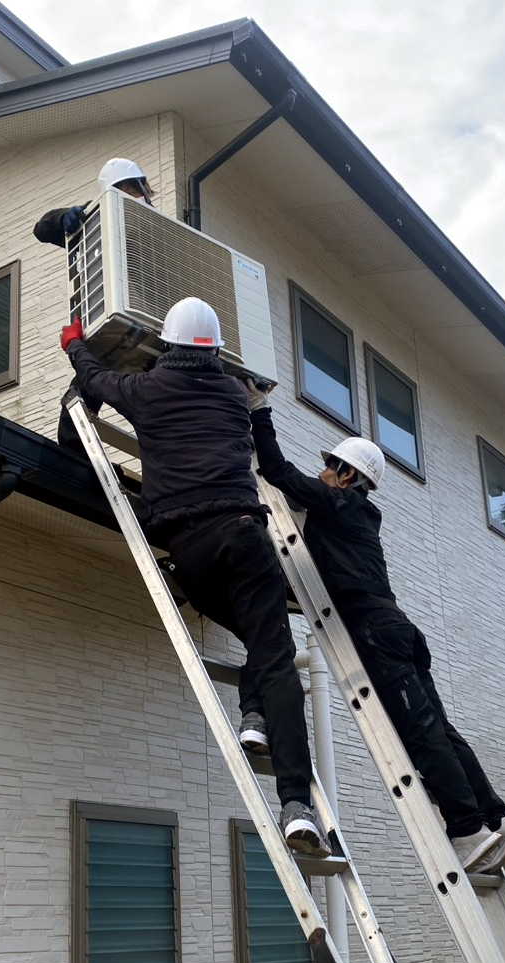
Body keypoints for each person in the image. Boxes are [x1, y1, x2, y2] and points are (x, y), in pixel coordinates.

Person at [59, 298, 331, 858]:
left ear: (172, 345)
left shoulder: (147, 392)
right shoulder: (234, 396)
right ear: (213, 349)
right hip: (245, 534)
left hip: (191, 549)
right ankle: (296, 803)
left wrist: (74, 342)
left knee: (261, 642)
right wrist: (260, 405)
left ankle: (254, 716)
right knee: (273, 652)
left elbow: (94, 378)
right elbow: (254, 418)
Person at [245, 384, 505, 873]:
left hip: (376, 630)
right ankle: (491, 819)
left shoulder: (342, 504)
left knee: (419, 731)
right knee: (437, 725)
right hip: (396, 628)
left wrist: (260, 411)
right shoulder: (358, 515)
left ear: (348, 475)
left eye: (329, 466)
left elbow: (277, 473)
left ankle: (466, 828)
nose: (322, 472)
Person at [34, 157, 156, 456]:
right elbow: (41, 229)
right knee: (76, 406)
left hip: (145, 337)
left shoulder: (155, 231)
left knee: (151, 413)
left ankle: (167, 463)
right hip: (102, 336)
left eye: (136, 189)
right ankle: (76, 470)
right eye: (126, 188)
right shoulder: (95, 222)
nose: (134, 195)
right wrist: (65, 218)